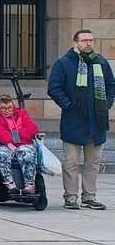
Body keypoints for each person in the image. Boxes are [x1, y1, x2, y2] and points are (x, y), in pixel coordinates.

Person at [48, 29, 114, 210]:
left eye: (91, 40)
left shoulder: (100, 62)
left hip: (97, 121)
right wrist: (69, 105)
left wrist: (106, 103)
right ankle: (71, 196)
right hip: (73, 121)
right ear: (75, 42)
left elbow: (111, 85)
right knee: (71, 162)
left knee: (93, 162)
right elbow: (54, 88)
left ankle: (89, 196)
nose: (88, 43)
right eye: (84, 40)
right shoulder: (64, 63)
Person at [0, 94, 42, 193]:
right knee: (2, 153)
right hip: (4, 144)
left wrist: (18, 137)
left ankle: (29, 184)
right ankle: (9, 183)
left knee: (27, 153)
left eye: (9, 108)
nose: (7, 110)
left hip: (23, 143)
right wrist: (9, 142)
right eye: (3, 108)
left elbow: (32, 128)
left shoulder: (22, 114)